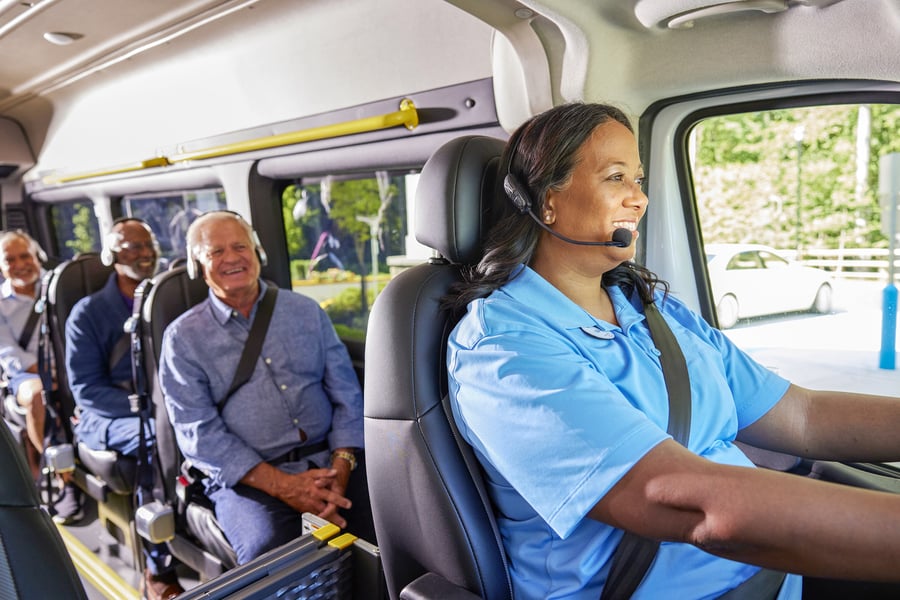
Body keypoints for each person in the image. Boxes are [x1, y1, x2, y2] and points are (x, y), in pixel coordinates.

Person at [445, 102, 900, 600]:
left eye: (638, 179)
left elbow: (803, 416)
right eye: (616, 177)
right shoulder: (503, 350)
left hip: (772, 578)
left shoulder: (655, 309)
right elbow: (689, 503)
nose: (638, 199)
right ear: (546, 201)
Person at [158, 211, 366, 566]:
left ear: (258, 253)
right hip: (247, 480)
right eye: (216, 252)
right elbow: (198, 434)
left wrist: (340, 469)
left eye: (240, 246)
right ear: (197, 266)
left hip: (331, 463)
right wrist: (286, 487)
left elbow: (347, 394)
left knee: (401, 521)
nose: (232, 258)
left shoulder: (306, 311)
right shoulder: (182, 339)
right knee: (269, 553)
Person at [66, 217, 183, 600]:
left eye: (148, 245)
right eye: (132, 246)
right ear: (111, 254)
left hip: (166, 405)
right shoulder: (87, 314)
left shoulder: (168, 297)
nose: (145, 253)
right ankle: (157, 568)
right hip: (108, 414)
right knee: (152, 442)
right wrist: (147, 410)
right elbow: (86, 390)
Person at [0, 230, 84, 524]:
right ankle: (62, 476)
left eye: (26, 256)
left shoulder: (58, 288)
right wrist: (49, 372)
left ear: (38, 258)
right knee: (39, 394)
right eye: (11, 259)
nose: (21, 264)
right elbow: (9, 354)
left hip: (68, 366)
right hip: (27, 375)